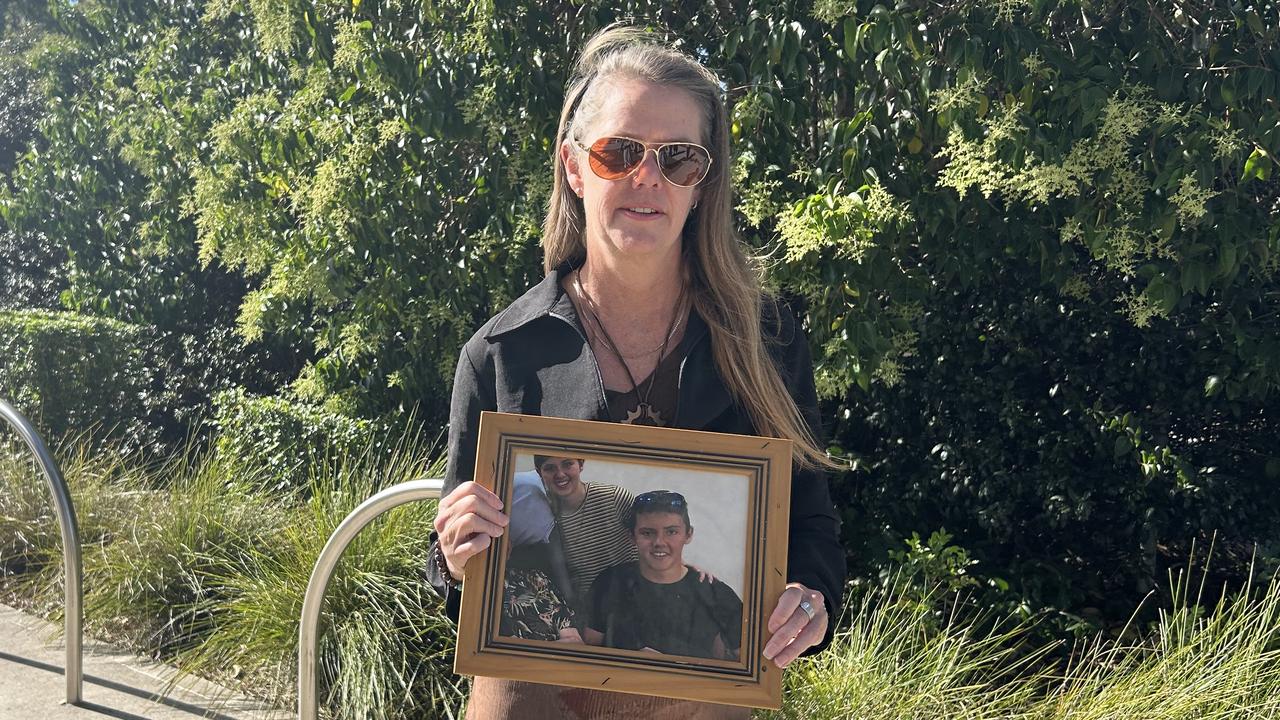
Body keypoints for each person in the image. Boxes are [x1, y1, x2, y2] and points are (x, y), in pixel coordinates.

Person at [428, 24, 845, 719]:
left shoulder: (767, 341)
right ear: (573, 166)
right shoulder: (501, 352)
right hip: (535, 692)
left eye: (678, 158)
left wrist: (812, 597)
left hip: (704, 695)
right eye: (619, 152)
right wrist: (455, 555)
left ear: (701, 183)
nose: (647, 177)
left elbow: (812, 523)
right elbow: (451, 582)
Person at [584, 491, 742, 661]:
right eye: (647, 533)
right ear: (632, 536)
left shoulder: (717, 594)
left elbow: (751, 667)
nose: (659, 542)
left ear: (688, 534)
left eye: (671, 532)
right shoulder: (608, 582)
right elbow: (588, 654)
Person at [531, 455, 636, 611]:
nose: (560, 474)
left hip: (631, 597)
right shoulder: (543, 515)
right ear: (539, 473)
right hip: (589, 610)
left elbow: (650, 543)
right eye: (550, 468)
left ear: (581, 464)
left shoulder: (614, 497)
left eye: (567, 464)